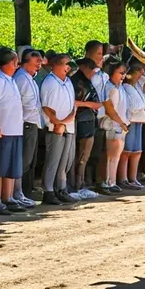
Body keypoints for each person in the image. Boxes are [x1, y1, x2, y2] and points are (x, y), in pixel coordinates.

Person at [0, 48, 25, 215]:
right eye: (16, 61)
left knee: (11, 166)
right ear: (12, 62)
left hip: (15, 128)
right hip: (3, 129)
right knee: (0, 166)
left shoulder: (10, 79)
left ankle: (7, 197)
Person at [39, 53, 78, 205]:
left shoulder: (67, 81)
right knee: (53, 161)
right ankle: (48, 190)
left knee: (65, 161)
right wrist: (57, 123)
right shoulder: (50, 82)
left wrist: (68, 119)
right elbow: (47, 107)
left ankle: (61, 188)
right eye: (66, 64)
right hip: (56, 128)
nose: (69, 67)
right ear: (56, 65)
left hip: (68, 126)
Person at [13, 49, 44, 207]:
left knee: (29, 160)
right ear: (25, 62)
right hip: (26, 123)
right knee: (24, 161)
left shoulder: (30, 78)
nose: (39, 65)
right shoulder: (21, 79)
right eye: (36, 62)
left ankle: (24, 192)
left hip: (33, 122)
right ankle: (18, 193)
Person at [70, 57, 102, 198]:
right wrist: (91, 105)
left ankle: (81, 184)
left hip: (89, 120)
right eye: (91, 70)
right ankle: (76, 186)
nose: (93, 73)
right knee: (81, 156)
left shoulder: (85, 80)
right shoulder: (76, 81)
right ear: (84, 67)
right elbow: (73, 101)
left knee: (85, 156)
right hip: (81, 121)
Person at [99, 56, 130, 194]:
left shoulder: (121, 87)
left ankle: (113, 181)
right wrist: (121, 123)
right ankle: (107, 182)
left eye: (124, 73)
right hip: (112, 125)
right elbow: (110, 109)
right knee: (111, 155)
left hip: (121, 125)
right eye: (120, 73)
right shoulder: (109, 88)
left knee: (116, 155)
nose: (123, 76)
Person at [83, 40, 110, 189]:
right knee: (85, 152)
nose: (101, 57)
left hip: (100, 117)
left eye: (102, 54)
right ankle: (84, 182)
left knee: (98, 151)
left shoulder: (103, 75)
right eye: (98, 53)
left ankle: (97, 181)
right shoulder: (84, 73)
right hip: (86, 116)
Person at [119, 60, 145, 190]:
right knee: (127, 150)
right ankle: (123, 178)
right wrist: (141, 107)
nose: (140, 76)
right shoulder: (125, 87)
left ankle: (133, 177)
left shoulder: (136, 87)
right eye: (138, 73)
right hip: (130, 120)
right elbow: (134, 105)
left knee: (137, 151)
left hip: (139, 121)